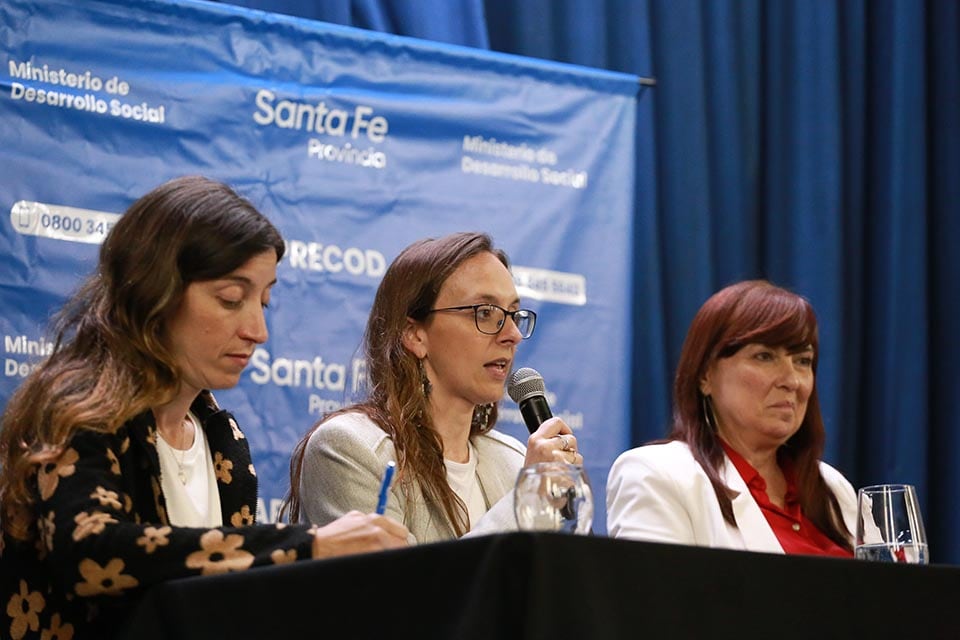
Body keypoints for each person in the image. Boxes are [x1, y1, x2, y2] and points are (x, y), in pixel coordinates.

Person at [0, 176, 409, 640]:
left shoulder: (222, 439)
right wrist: (308, 545)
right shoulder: (77, 408)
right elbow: (91, 553)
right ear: (155, 290)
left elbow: (225, 598)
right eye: (231, 299)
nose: (258, 330)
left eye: (264, 301)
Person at [282, 232, 582, 543]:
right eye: (485, 313)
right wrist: (524, 502)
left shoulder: (513, 460)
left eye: (512, 314)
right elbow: (405, 587)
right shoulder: (349, 448)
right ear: (415, 334)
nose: (512, 335)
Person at [606, 280, 856, 556]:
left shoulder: (833, 488)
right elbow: (657, 598)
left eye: (802, 361)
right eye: (765, 356)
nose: (792, 380)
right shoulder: (656, 476)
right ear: (705, 375)